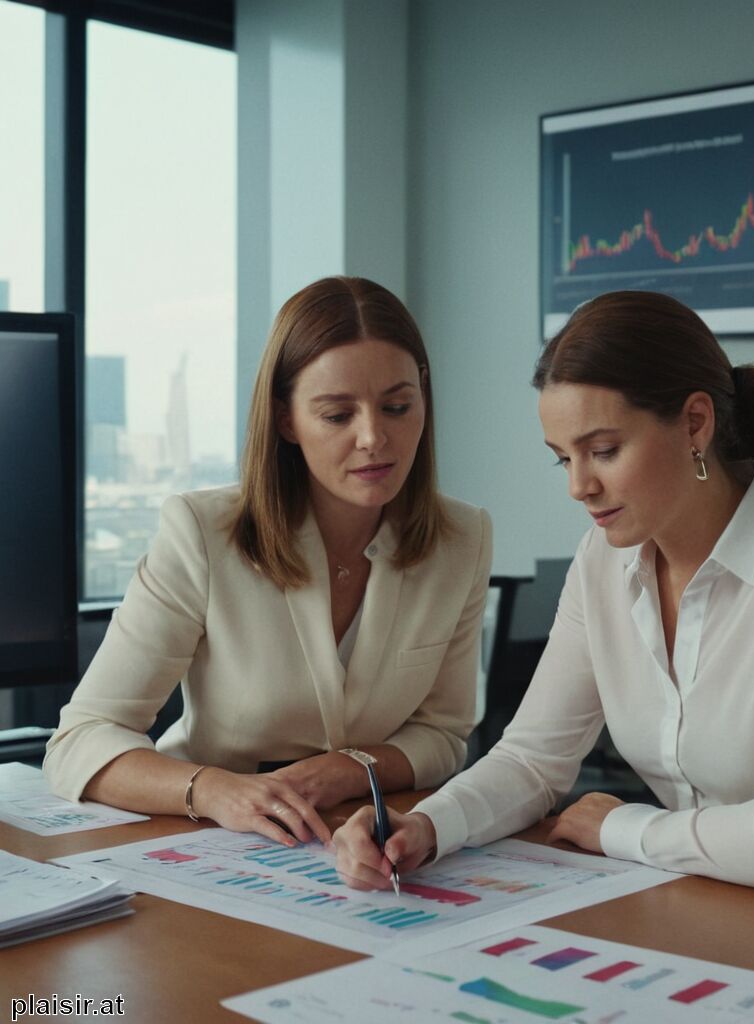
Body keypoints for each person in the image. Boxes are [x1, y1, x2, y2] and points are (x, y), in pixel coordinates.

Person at [334, 289, 754, 911]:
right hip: (730, 916)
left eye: (604, 450)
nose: (580, 486)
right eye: (563, 460)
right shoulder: (603, 560)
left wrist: (621, 828)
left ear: (695, 423)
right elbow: (532, 759)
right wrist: (426, 825)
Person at [44, 276, 492, 848]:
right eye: (336, 415)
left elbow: (444, 734)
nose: (375, 438)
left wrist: (350, 767)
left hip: (367, 839)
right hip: (212, 839)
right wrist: (214, 790)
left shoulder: (463, 537)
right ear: (286, 420)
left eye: (397, 406)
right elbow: (81, 738)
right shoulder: (202, 533)